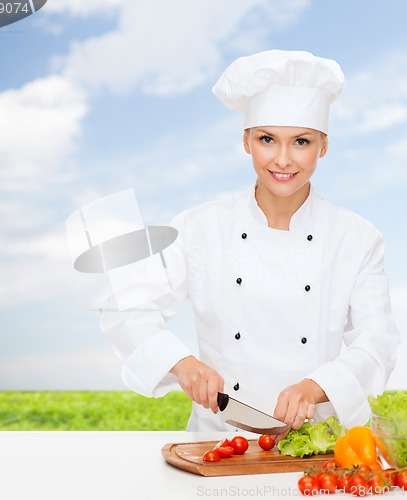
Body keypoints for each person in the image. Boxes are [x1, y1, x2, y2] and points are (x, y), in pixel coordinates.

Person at [100, 50, 399, 436]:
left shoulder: (357, 238)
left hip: (313, 444)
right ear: (246, 142)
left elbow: (378, 342)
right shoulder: (199, 228)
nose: (283, 159)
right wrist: (182, 363)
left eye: (302, 142)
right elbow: (125, 307)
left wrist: (315, 387)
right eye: (267, 139)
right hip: (218, 440)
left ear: (324, 146)